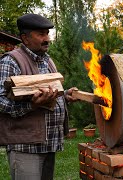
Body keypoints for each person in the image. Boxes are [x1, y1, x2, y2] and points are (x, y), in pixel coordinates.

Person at [0, 14, 78, 179]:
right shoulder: (11, 61)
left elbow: (51, 93)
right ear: (25, 38)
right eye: (41, 34)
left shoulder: (47, 60)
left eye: (47, 34)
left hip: (49, 144)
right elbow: (0, 101)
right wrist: (31, 106)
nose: (47, 39)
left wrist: (65, 97)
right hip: (25, 146)